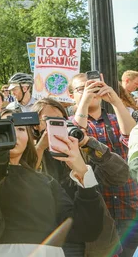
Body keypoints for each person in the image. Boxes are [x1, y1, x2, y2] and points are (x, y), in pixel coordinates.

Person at [0, 115, 105, 257]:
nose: (12, 133)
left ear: (29, 138)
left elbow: (86, 230)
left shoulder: (47, 181)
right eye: (4, 127)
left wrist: (82, 172)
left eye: (20, 128)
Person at [32, 98, 128, 256]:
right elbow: (25, 175)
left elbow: (121, 176)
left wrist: (88, 143)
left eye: (60, 120)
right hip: (53, 240)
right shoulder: (29, 150)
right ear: (36, 124)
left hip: (94, 241)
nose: (55, 125)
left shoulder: (80, 149)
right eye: (49, 120)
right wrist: (41, 146)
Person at [70, 73, 138, 257]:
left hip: (128, 207)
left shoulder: (117, 118)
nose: (89, 91)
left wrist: (116, 101)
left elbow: (133, 138)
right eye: (81, 89)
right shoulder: (68, 123)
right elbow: (75, 137)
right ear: (71, 96)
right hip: (99, 212)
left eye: (93, 86)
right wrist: (84, 102)